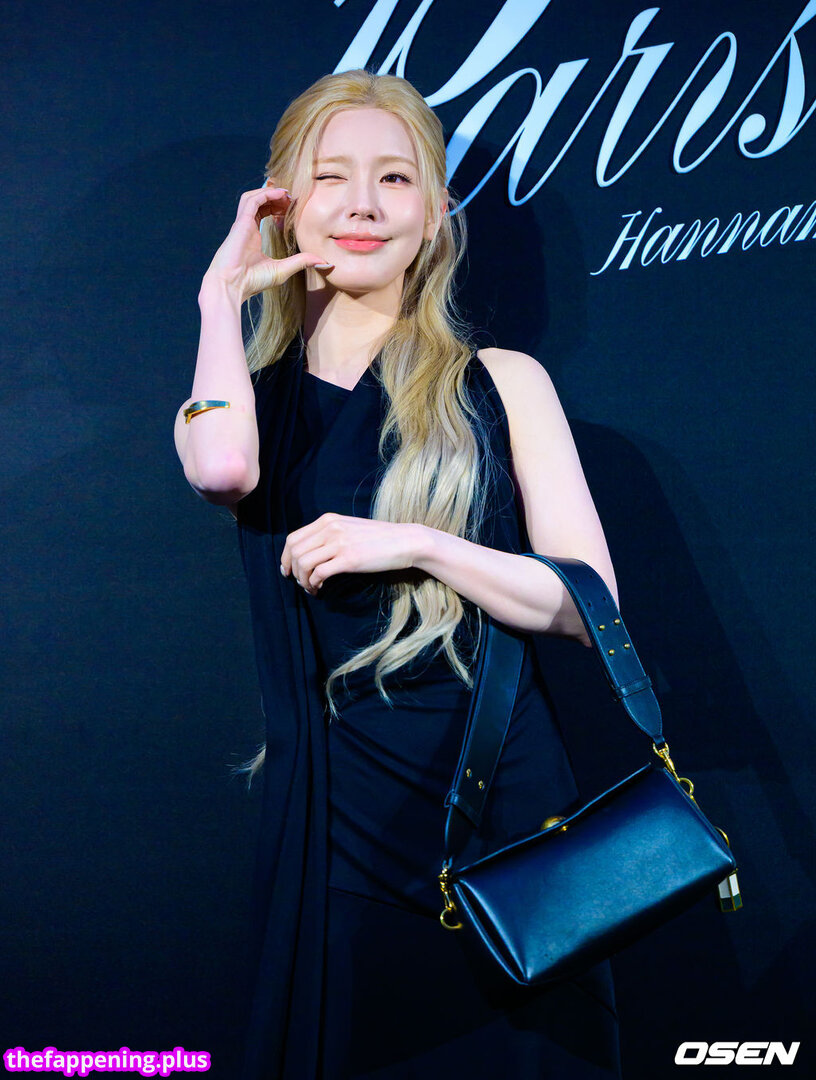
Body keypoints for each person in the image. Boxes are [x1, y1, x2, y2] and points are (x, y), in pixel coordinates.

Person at [174, 69, 623, 1080]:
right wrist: (217, 302)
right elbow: (223, 469)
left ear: (433, 213)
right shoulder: (241, 403)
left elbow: (589, 605)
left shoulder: (501, 383)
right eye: (331, 177)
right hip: (335, 820)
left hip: (503, 813)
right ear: (281, 204)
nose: (365, 205)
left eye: (395, 177)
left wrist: (421, 545)